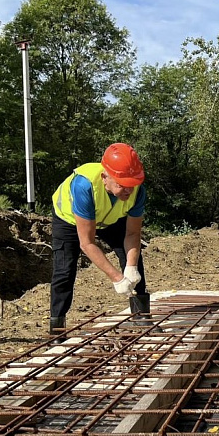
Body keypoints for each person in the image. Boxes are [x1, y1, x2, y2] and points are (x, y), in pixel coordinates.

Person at [49, 143, 150, 335]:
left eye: (132, 184)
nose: (129, 191)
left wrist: (130, 268)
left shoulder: (137, 191)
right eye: (122, 185)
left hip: (110, 217)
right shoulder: (83, 186)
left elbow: (132, 234)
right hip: (69, 220)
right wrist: (117, 278)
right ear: (105, 177)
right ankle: (57, 330)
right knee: (64, 270)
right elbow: (87, 243)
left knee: (133, 258)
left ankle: (141, 316)